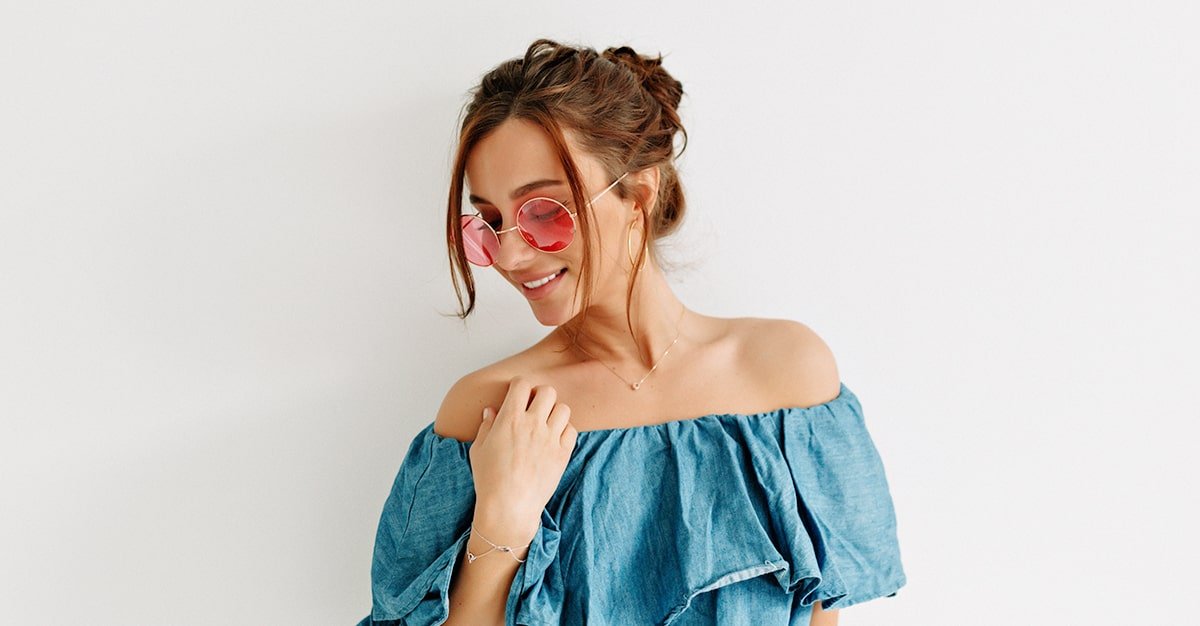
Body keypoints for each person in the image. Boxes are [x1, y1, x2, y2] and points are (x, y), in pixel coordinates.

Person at [356, 38, 906, 626]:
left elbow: (823, 613)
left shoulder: (789, 375)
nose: (510, 257)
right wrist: (502, 523)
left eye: (543, 211)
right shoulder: (492, 410)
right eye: (489, 222)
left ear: (639, 193)